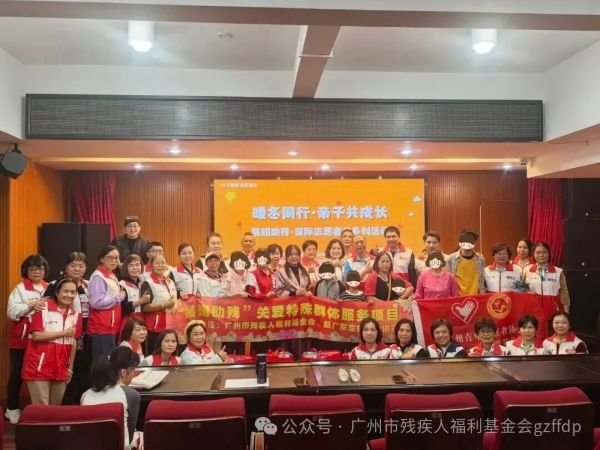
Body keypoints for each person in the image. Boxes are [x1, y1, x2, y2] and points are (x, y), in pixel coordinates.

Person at [22, 278, 82, 405]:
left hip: (61, 367)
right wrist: (63, 333)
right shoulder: (42, 308)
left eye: (73, 292)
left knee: (56, 410)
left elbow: (73, 342)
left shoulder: (75, 313)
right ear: (57, 292)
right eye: (65, 291)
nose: (69, 295)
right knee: (41, 409)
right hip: (39, 366)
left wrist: (70, 368)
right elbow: (36, 336)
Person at [5, 254, 49, 423]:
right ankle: (12, 409)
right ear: (26, 270)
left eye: (40, 268)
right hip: (22, 340)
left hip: (43, 338)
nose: (37, 271)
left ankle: (38, 409)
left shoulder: (49, 287)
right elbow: (12, 313)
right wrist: (31, 305)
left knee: (39, 375)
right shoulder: (20, 289)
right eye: (33, 268)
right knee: (17, 374)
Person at [44, 252, 91, 405]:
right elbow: (45, 306)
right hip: (62, 335)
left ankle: (80, 406)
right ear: (65, 267)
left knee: (81, 371)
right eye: (73, 265)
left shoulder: (87, 285)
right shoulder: (55, 285)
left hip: (84, 334)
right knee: (65, 373)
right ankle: (64, 407)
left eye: (81, 266)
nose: (77, 269)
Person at [81, 346, 141, 447]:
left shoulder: (85, 394)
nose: (133, 374)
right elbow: (129, 438)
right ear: (123, 372)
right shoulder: (131, 395)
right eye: (133, 370)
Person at [88, 245, 125, 359]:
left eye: (117, 257)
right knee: (102, 363)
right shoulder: (98, 277)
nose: (114, 261)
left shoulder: (111, 274)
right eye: (110, 257)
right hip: (102, 328)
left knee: (109, 362)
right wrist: (119, 297)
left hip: (110, 327)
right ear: (102, 259)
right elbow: (96, 303)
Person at [140, 254, 177, 353]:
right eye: (157, 263)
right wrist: (164, 305)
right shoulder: (148, 283)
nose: (160, 265)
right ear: (151, 265)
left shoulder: (170, 282)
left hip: (170, 326)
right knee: (154, 355)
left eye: (163, 263)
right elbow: (145, 307)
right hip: (154, 328)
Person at [523, 242, 570, 315]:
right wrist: (527, 292)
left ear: (549, 254)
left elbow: (564, 294)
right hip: (533, 311)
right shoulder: (527, 270)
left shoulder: (558, 272)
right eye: (538, 253)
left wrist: (566, 314)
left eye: (544, 252)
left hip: (553, 312)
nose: (541, 255)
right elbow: (521, 288)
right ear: (533, 254)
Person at [447, 229, 486, 295]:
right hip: (457, 298)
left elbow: (481, 281)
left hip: (476, 298)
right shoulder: (451, 259)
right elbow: (448, 282)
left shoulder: (480, 260)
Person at [119, 254, 150, 323]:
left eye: (137, 265)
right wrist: (140, 302)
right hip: (129, 322)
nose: (135, 268)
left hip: (143, 320)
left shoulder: (143, 283)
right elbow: (122, 309)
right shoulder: (122, 285)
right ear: (126, 268)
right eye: (131, 265)